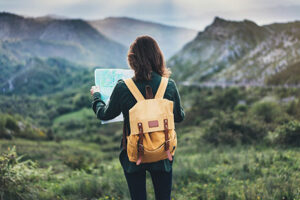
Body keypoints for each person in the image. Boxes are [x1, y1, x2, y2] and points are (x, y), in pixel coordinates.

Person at [90, 35, 185, 200]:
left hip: (134, 155)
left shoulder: (123, 87)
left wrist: (97, 96)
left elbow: (104, 114)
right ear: (158, 57)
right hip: (163, 151)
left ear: (132, 60)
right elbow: (179, 117)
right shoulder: (169, 85)